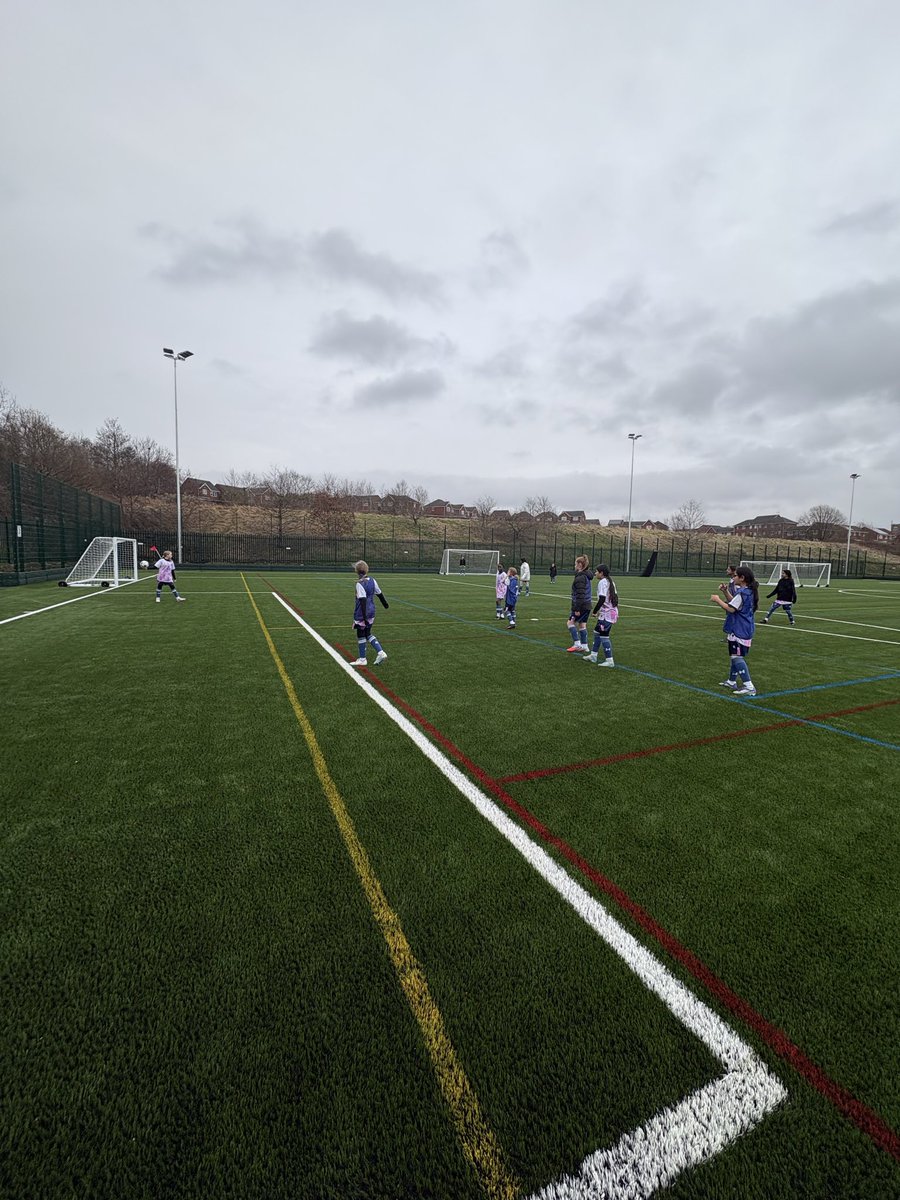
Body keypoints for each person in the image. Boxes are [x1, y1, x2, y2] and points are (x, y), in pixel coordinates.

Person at [710, 567, 759, 696]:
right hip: (740, 627)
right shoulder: (747, 591)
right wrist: (725, 592)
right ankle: (732, 681)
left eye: (736, 576)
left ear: (742, 578)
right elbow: (735, 602)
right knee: (734, 656)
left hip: (740, 629)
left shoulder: (744, 593)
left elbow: (731, 608)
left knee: (736, 656)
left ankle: (749, 686)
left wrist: (717, 600)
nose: (733, 578)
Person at [350, 560, 389, 666]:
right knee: (368, 633)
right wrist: (385, 604)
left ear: (357, 571)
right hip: (372, 611)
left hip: (363, 613)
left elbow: (362, 600)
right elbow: (379, 593)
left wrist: (364, 617)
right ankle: (381, 652)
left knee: (360, 634)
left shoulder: (360, 584)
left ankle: (362, 659)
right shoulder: (372, 580)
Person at [584, 564, 618, 667]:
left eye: (596, 571)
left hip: (607, 614)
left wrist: (595, 611)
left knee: (604, 636)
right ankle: (593, 655)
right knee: (596, 632)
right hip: (608, 613)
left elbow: (602, 598)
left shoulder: (602, 582)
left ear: (601, 573)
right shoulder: (610, 582)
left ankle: (609, 660)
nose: (595, 573)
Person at [566, 554, 592, 652]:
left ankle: (577, 644)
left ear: (580, 565)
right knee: (582, 624)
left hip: (582, 605)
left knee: (570, 623)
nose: (575, 566)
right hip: (587, 605)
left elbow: (580, 594)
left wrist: (577, 608)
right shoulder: (586, 576)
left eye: (576, 564)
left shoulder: (581, 577)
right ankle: (585, 645)